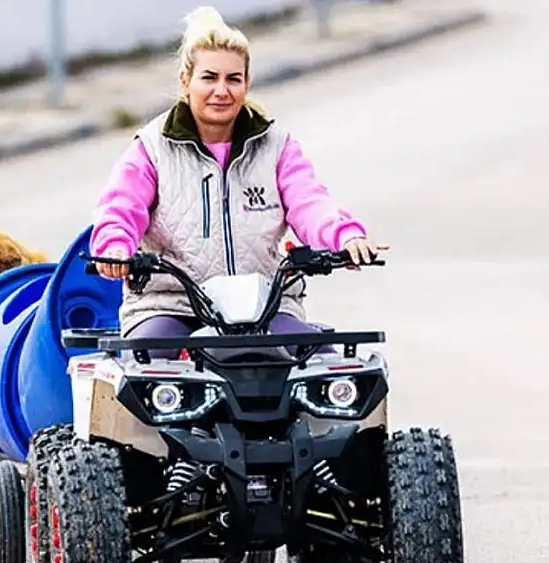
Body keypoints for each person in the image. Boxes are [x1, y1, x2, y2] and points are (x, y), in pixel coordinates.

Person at [88, 6, 389, 356]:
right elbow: (121, 208)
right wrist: (113, 248)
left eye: (233, 79)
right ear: (186, 82)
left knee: (328, 373)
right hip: (171, 303)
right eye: (209, 77)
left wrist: (345, 237)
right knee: (142, 371)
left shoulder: (277, 145)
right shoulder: (152, 148)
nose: (221, 90)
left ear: (246, 84)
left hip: (265, 304)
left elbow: (310, 203)